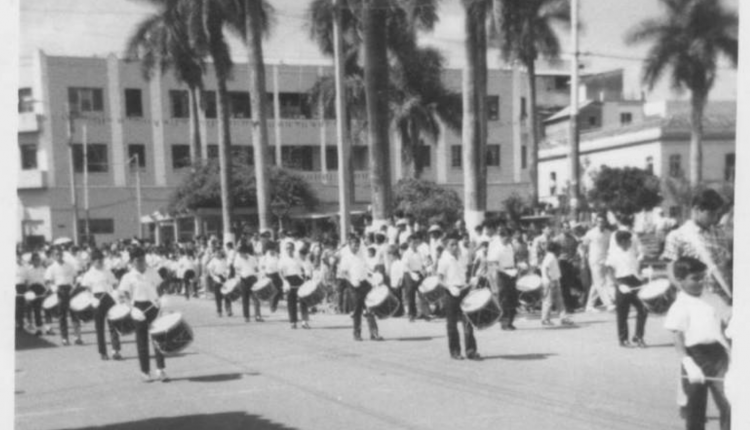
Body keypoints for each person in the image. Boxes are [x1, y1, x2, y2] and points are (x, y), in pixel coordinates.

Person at [664, 257, 731, 430]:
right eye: (695, 278)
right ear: (680, 280)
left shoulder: (713, 298)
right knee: (695, 409)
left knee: (729, 402)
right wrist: (688, 363)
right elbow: (677, 337)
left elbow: (726, 323)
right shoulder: (680, 306)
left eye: (703, 277)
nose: (701, 282)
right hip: (694, 356)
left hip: (718, 356)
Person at [118, 247, 168, 382]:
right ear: (132, 261)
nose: (141, 262)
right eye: (138, 260)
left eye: (143, 259)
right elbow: (123, 295)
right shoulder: (128, 276)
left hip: (154, 306)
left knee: (158, 338)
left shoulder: (152, 272)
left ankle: (161, 369)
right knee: (142, 341)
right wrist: (132, 308)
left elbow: (160, 287)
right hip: (138, 308)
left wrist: (162, 299)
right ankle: (145, 371)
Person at [438, 235, 480, 360]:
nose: (455, 246)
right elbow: (439, 279)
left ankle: (471, 350)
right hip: (451, 292)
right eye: (451, 244)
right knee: (452, 324)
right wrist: (449, 287)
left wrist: (471, 282)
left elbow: (465, 274)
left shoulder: (461, 257)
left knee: (468, 321)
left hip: (463, 290)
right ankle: (455, 351)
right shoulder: (444, 259)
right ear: (446, 246)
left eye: (456, 243)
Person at [606, 231, 647, 348]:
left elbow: (635, 269)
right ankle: (623, 339)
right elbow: (609, 272)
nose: (631, 242)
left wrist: (642, 275)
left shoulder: (632, 252)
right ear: (622, 241)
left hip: (635, 281)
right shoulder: (613, 255)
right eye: (629, 240)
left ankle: (639, 336)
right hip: (622, 282)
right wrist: (619, 285)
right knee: (623, 313)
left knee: (643, 309)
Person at [79, 249, 122, 360]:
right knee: (99, 327)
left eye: (101, 260)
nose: (100, 263)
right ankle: (103, 352)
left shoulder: (107, 271)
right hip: (96, 299)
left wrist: (116, 295)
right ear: (93, 261)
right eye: (98, 261)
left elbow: (114, 284)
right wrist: (91, 299)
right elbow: (86, 289)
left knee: (114, 324)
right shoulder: (88, 274)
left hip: (108, 298)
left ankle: (115, 350)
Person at [339, 235, 382, 341]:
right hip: (353, 285)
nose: (356, 247)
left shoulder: (362, 254)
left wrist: (372, 277)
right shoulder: (346, 257)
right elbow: (343, 272)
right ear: (350, 245)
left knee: (370, 308)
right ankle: (357, 334)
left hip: (364, 283)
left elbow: (367, 267)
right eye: (354, 245)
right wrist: (352, 280)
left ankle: (374, 333)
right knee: (357, 310)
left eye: (358, 245)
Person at [44, 247, 82, 345]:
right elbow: (47, 281)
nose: (59, 256)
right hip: (60, 291)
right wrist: (54, 288)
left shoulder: (69, 265)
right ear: (53, 256)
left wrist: (74, 285)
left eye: (60, 254)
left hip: (70, 290)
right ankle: (64, 338)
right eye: (56, 254)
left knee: (75, 313)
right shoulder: (51, 267)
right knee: (62, 315)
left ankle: (77, 337)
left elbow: (75, 276)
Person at [582, 212, 615, 312]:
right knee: (600, 282)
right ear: (596, 222)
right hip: (594, 261)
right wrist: (584, 258)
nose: (600, 223)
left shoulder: (609, 233)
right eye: (599, 221)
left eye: (602, 221)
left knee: (596, 283)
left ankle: (589, 306)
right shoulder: (590, 233)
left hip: (605, 260)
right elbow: (584, 246)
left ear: (605, 222)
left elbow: (611, 247)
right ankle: (608, 304)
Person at [540, 242, 572, 326]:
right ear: (555, 250)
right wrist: (550, 280)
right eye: (559, 249)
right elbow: (546, 269)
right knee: (548, 301)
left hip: (555, 280)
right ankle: (545, 319)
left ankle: (563, 318)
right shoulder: (550, 257)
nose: (560, 251)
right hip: (550, 282)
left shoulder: (552, 257)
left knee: (559, 301)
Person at [401, 233, 431, 322]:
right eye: (413, 243)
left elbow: (425, 262)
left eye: (416, 243)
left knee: (423, 293)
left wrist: (425, 267)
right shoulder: (406, 253)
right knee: (411, 295)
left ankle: (425, 313)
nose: (415, 245)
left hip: (419, 272)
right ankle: (412, 314)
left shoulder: (420, 252)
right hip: (409, 274)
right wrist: (412, 274)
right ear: (409, 243)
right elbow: (405, 266)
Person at [279, 241, 309, 329]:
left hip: (299, 279)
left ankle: (304, 321)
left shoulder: (298, 258)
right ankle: (293, 321)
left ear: (294, 249)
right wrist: (284, 281)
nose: (289, 250)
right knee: (291, 302)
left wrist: (305, 277)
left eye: (291, 248)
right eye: (287, 248)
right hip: (289, 279)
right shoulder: (283, 260)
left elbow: (304, 267)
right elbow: (280, 272)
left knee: (303, 301)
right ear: (285, 250)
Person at [234, 243, 263, 323]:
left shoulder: (252, 258)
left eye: (241, 252)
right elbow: (237, 271)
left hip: (252, 279)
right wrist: (238, 280)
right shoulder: (238, 259)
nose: (240, 254)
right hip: (243, 280)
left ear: (245, 252)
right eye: (239, 253)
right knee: (245, 299)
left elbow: (256, 269)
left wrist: (259, 278)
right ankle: (246, 316)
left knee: (256, 298)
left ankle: (258, 316)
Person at [25, 253, 48, 335]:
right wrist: (28, 292)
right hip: (32, 290)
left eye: (38, 260)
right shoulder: (28, 270)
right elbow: (27, 282)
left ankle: (48, 327)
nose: (37, 261)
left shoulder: (43, 269)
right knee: (36, 310)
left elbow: (46, 281)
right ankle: (38, 329)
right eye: (35, 260)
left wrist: (47, 291)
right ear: (32, 261)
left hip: (41, 289)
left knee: (44, 310)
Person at [207, 249, 233, 317]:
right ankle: (219, 311)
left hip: (224, 277)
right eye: (217, 253)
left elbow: (228, 268)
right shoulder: (213, 261)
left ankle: (228, 310)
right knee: (218, 296)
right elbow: (211, 271)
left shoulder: (225, 260)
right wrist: (215, 277)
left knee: (227, 294)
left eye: (219, 253)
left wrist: (226, 274)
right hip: (217, 278)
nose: (218, 254)